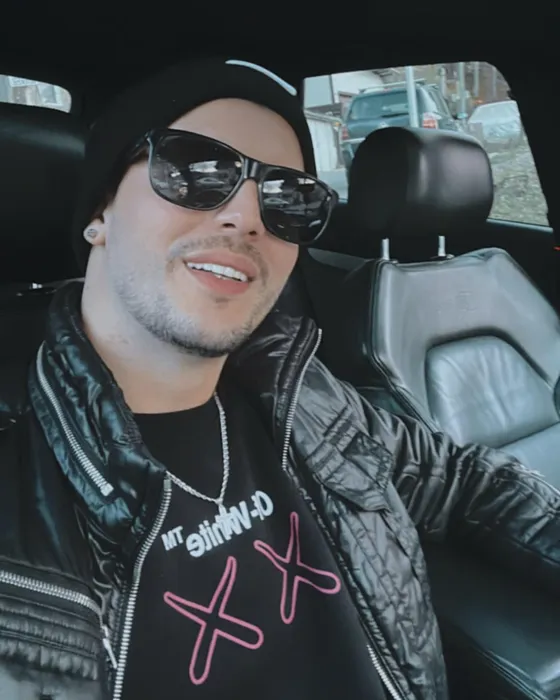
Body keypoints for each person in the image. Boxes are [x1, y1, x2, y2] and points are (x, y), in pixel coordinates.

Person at [0, 57, 557, 700]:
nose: (248, 217)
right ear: (100, 210)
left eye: (288, 198)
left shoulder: (305, 396)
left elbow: (460, 479)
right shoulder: (22, 486)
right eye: (196, 171)